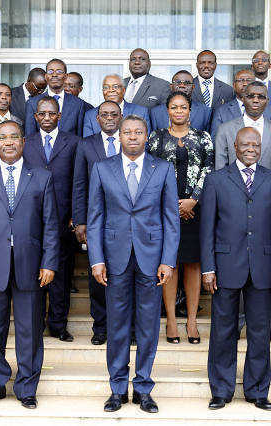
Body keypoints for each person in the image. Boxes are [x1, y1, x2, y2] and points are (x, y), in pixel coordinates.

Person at [0, 120, 59, 409]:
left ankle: (27, 388)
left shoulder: (42, 177)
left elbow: (50, 225)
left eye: (14, 137)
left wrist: (49, 262)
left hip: (31, 265)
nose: (8, 142)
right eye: (2, 138)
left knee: (30, 331)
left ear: (23, 142)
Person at [87, 115, 179, 413]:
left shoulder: (162, 168)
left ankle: (143, 388)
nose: (133, 137)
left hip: (151, 259)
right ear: (119, 136)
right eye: (127, 132)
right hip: (114, 258)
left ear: (146, 136)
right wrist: (96, 259)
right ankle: (117, 389)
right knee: (117, 324)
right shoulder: (102, 168)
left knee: (148, 325)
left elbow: (171, 218)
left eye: (138, 132)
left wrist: (168, 260)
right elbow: (95, 218)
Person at [200, 127, 271, 411]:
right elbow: (207, 228)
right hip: (225, 265)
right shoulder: (216, 179)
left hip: (262, 266)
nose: (251, 149)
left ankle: (257, 391)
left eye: (256, 145)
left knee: (260, 332)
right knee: (223, 330)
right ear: (234, 147)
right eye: (245, 144)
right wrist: (208, 267)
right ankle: (221, 390)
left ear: (261, 148)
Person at [213, 81, 271, 345]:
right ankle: (235, 325)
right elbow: (220, 168)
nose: (256, 100)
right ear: (242, 99)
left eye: (261, 96)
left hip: (267, 207)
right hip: (234, 208)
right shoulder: (226, 128)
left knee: (266, 267)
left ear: (267, 101)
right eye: (251, 96)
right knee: (236, 269)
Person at [147, 92, 213, 345]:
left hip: (195, 209)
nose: (178, 111)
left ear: (189, 110)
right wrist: (173, 205)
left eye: (183, 107)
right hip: (165, 209)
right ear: (167, 110)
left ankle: (192, 321)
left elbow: (208, 169)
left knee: (193, 264)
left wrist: (193, 200)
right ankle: (172, 319)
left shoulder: (203, 137)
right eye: (174, 107)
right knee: (170, 262)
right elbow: (151, 171)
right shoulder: (156, 137)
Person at [23, 96, 80, 342]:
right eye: (42, 114)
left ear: (59, 116)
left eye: (51, 113)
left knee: (61, 276)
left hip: (63, 219)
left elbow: (78, 181)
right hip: (32, 220)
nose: (47, 118)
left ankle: (58, 325)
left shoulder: (74, 142)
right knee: (33, 275)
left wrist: (76, 215)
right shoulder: (26, 143)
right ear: (36, 117)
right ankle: (36, 324)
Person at [73, 100, 123, 345]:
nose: (109, 118)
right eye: (105, 114)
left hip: (125, 221)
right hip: (96, 221)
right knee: (97, 276)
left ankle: (125, 327)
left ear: (121, 117)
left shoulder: (130, 140)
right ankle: (101, 327)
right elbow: (79, 183)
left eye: (114, 114)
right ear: (97, 118)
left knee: (124, 275)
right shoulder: (86, 144)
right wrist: (80, 221)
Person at [25, 59, 86, 137]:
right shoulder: (32, 103)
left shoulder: (78, 104)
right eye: (50, 72)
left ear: (65, 76)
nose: (54, 75)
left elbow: (79, 137)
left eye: (59, 72)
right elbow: (30, 137)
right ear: (46, 76)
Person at [211, 69, 271, 138]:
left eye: (249, 80)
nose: (245, 84)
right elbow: (216, 138)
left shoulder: (270, 110)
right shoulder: (221, 111)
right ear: (234, 85)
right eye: (240, 80)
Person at [83, 74, 150, 137]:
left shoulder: (141, 112)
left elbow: (145, 141)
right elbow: (88, 143)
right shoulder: (90, 115)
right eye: (106, 87)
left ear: (123, 90)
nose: (111, 90)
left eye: (115, 87)